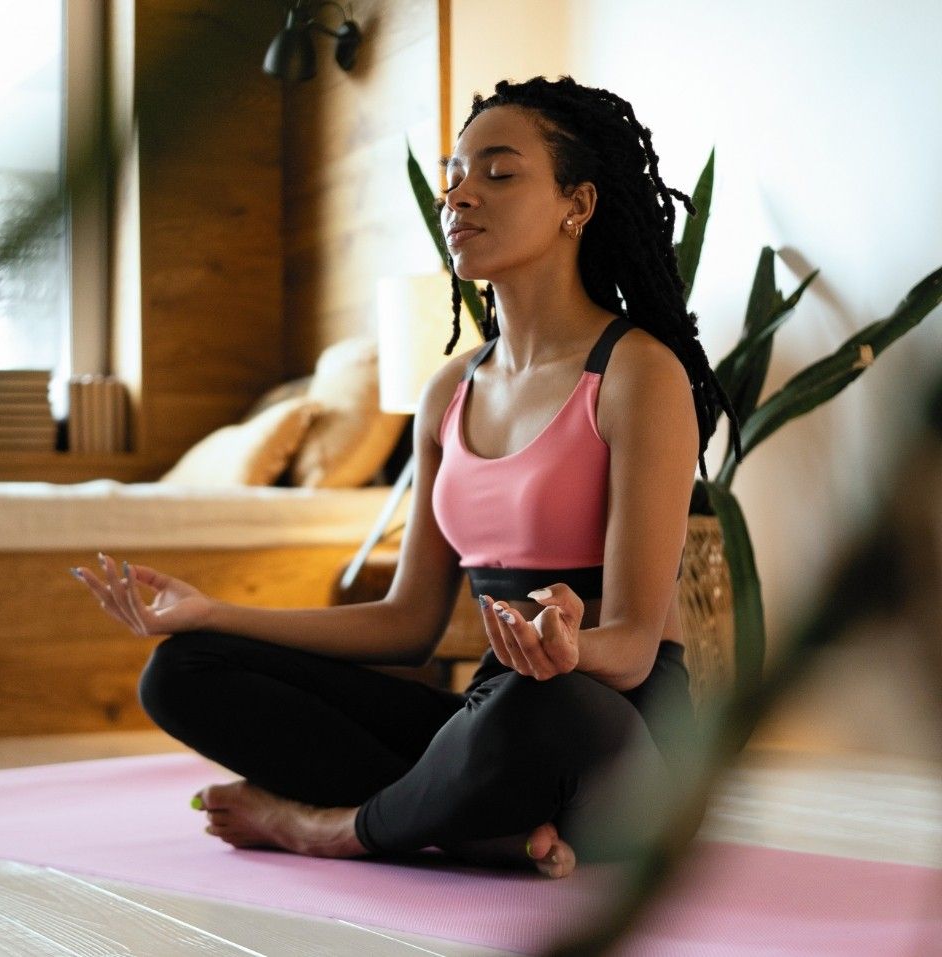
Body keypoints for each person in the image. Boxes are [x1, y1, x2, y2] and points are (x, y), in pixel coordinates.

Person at [71, 75, 741, 880]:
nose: (459, 194)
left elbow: (633, 648)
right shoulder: (448, 390)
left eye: (498, 172)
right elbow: (407, 622)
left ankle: (328, 828)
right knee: (184, 668)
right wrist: (216, 612)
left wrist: (565, 647)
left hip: (611, 725)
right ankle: (472, 825)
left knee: (533, 710)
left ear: (579, 204)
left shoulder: (638, 374)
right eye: (455, 173)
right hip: (489, 716)